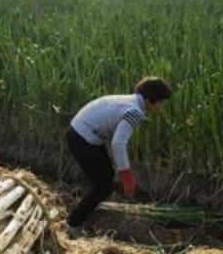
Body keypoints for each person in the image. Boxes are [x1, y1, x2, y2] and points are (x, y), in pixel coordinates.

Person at [65, 76, 172, 237]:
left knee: (106, 175)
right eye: (161, 103)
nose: (161, 107)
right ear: (150, 101)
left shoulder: (131, 102)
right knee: (104, 186)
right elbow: (118, 143)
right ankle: (74, 224)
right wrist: (127, 176)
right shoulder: (134, 112)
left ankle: (88, 208)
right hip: (82, 137)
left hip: (83, 131)